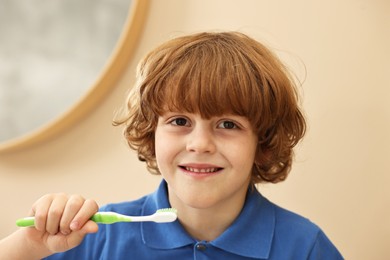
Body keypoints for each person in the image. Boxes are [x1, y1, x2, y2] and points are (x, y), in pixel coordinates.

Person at [0, 31, 343, 259]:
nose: (200, 143)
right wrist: (30, 247)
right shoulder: (96, 238)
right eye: (180, 122)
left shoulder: (304, 247)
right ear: (151, 134)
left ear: (263, 141)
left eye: (228, 124)